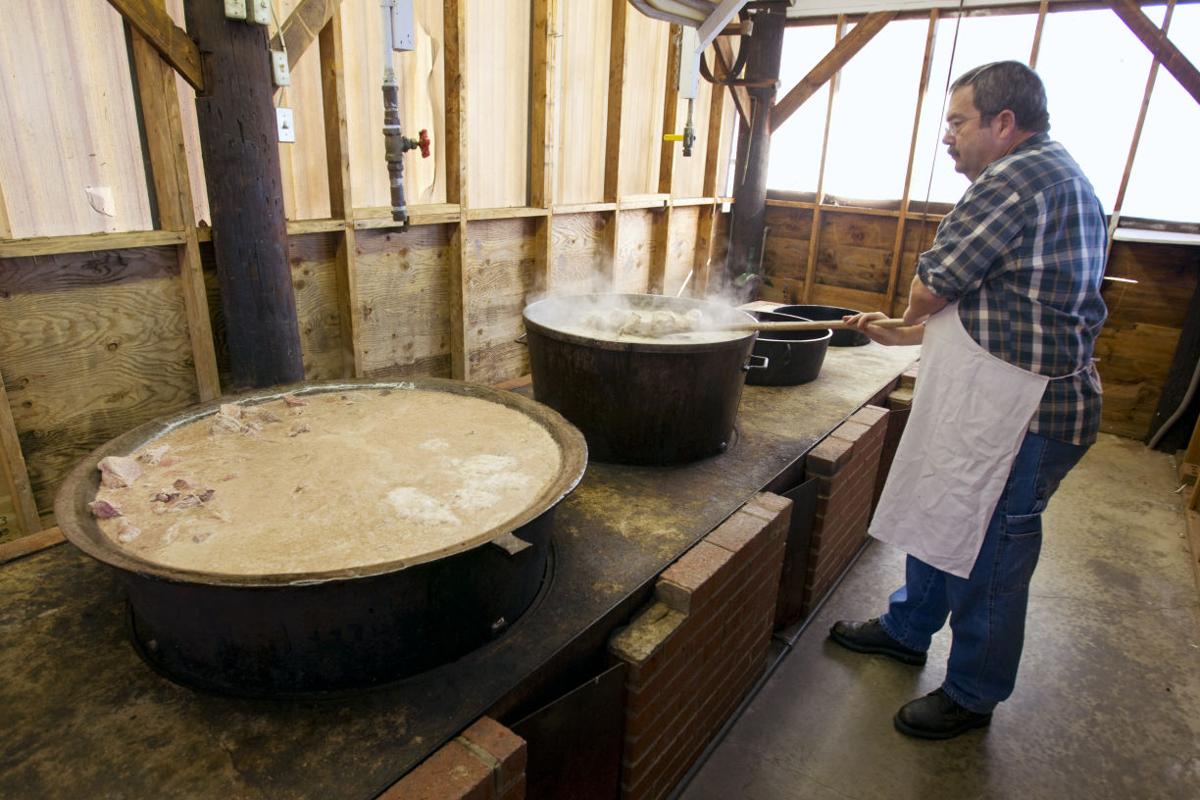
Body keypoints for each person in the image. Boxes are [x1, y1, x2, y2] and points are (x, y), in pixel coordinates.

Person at [828, 61, 1108, 740]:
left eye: (957, 122)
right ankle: (907, 627)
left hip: (1030, 414)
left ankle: (974, 692)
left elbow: (939, 281)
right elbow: (999, 296)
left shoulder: (1018, 177)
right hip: (993, 397)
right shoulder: (1050, 171)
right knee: (947, 505)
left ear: (1002, 123)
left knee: (994, 550)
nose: (947, 138)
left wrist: (912, 308)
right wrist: (904, 328)